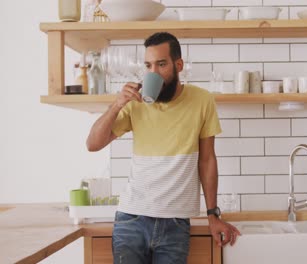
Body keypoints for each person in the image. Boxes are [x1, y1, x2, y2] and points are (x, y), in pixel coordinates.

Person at [86, 32, 240, 264]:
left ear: (178, 65)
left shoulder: (202, 100)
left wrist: (212, 214)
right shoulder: (135, 103)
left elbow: (207, 160)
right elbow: (93, 144)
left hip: (175, 225)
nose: (154, 73)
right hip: (131, 219)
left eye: (161, 64)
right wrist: (116, 105)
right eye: (148, 66)